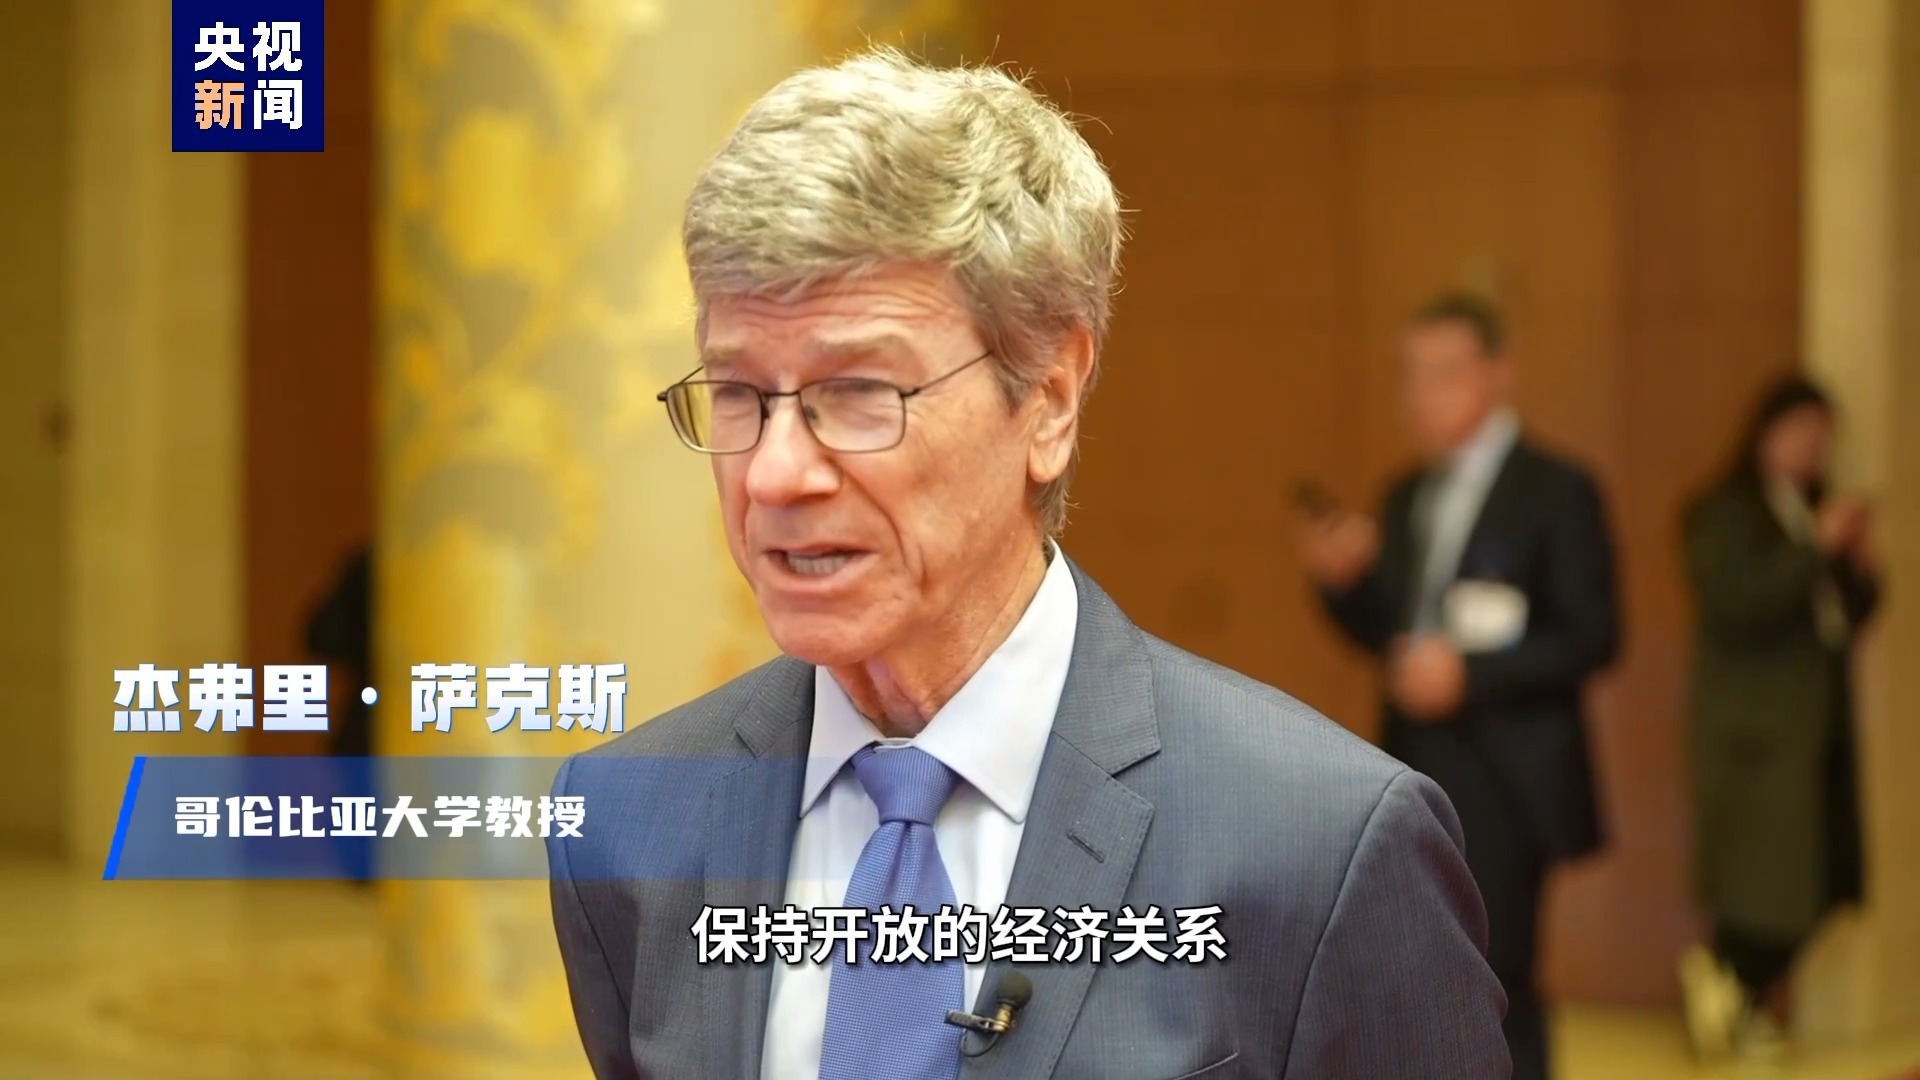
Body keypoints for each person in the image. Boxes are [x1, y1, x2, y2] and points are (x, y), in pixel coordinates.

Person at [547, 48, 1509, 1080]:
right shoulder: (629, 824)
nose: (775, 473)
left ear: (1048, 399)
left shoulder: (1323, 845)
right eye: (739, 394)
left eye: (859, 393)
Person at [1301, 293, 1619, 1080]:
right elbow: (1393, 637)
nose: (1423, 395)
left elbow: (1593, 635)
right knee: (1413, 975)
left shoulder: (1557, 490)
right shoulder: (1408, 493)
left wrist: (1468, 676)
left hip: (1509, 772)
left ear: (1499, 373)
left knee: (1498, 980)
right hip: (1416, 766)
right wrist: (1346, 586)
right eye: (1411, 376)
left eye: (1445, 373)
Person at [1676, 375, 1879, 1061]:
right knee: (1766, 880)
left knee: (1825, 877)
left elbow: (1848, 615)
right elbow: (1738, 604)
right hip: (1755, 733)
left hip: (1818, 725)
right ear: (1765, 432)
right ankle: (1730, 986)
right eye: (1802, 433)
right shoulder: (1724, 512)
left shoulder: (1808, 509)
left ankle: (1735, 995)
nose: (1813, 450)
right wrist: (1815, 546)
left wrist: (1856, 564)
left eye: (1823, 439)